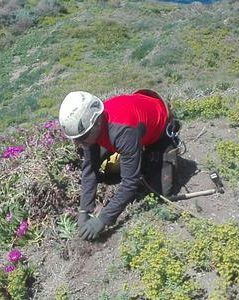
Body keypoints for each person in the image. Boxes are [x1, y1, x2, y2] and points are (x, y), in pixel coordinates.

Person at [58, 90, 181, 241]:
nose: (79, 143)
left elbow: (130, 183)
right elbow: (90, 171)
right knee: (104, 156)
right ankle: (140, 156)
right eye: (76, 139)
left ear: (97, 123)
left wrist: (102, 219)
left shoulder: (122, 132)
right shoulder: (93, 126)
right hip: (135, 126)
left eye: (82, 138)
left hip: (160, 127)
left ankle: (152, 155)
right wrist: (84, 210)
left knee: (161, 193)